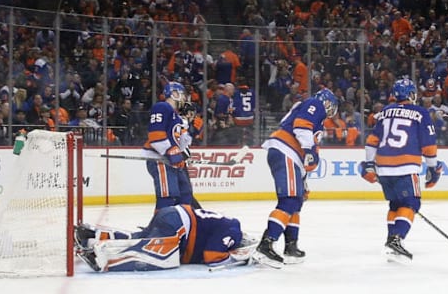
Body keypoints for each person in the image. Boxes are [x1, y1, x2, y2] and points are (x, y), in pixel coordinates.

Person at [253, 87, 338, 268]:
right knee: (290, 200)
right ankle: (266, 244)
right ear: (327, 102)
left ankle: (291, 246)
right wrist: (308, 150)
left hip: (290, 156)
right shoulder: (315, 104)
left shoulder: (317, 119)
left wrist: (304, 180)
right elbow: (301, 126)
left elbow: (307, 149)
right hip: (287, 151)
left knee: (296, 201)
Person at [360, 77, 443, 263]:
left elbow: (372, 141)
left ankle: (391, 240)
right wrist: (433, 168)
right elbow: (429, 144)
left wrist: (368, 164)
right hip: (405, 166)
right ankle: (397, 239)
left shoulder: (384, 112)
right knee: (412, 203)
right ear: (411, 94)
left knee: (395, 205)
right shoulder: (420, 112)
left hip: (383, 168)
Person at [74, 204, 257, 272]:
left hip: (173, 214)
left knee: (139, 237)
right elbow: (212, 256)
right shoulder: (234, 230)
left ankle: (92, 234)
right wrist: (239, 258)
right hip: (180, 224)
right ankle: (100, 255)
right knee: (152, 256)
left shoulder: (228, 224)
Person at [142, 82, 199, 211]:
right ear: (174, 94)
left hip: (171, 161)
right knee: (168, 196)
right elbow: (155, 136)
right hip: (160, 159)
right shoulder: (162, 107)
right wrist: (171, 151)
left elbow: (182, 143)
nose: (185, 98)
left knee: (185, 194)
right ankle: (160, 228)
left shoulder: (177, 117)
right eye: (183, 95)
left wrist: (186, 126)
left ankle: (183, 225)